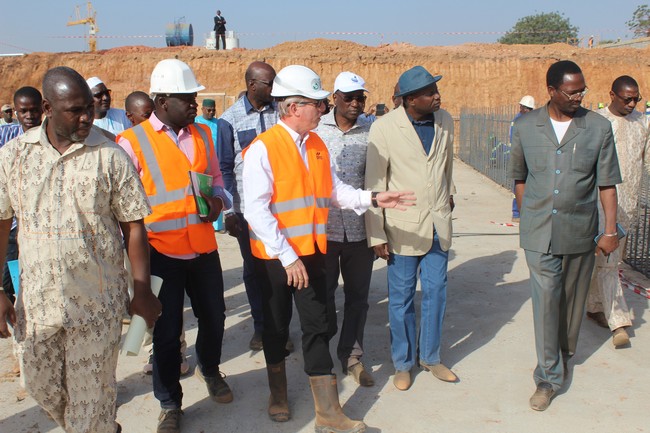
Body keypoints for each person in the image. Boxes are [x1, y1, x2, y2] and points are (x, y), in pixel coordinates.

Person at [242, 64, 413, 431]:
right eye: (316, 104)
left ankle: (328, 414)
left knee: (320, 325)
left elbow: (334, 192)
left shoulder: (317, 145)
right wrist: (287, 257)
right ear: (292, 108)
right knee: (275, 326)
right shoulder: (263, 149)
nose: (322, 110)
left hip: (313, 252)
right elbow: (254, 209)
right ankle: (279, 393)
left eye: (321, 103)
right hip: (275, 257)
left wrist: (374, 198)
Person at [0, 66, 161, 433]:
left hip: (96, 305)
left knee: (90, 406)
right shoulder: (14, 157)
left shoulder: (110, 155)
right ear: (47, 107)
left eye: (89, 106)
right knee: (42, 387)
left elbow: (133, 225)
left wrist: (141, 290)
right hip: (37, 306)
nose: (87, 116)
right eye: (75, 109)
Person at [118, 59, 233, 433]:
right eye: (188, 98)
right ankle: (169, 403)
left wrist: (219, 201)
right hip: (159, 255)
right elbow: (121, 208)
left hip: (202, 249)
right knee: (165, 335)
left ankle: (211, 369)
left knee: (215, 317)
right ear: (164, 101)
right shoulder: (131, 142)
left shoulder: (201, 134)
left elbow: (215, 179)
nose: (195, 104)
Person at [509, 60, 621, 411]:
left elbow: (607, 185)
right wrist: (529, 217)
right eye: (572, 91)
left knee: (571, 307)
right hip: (539, 234)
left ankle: (563, 354)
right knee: (546, 302)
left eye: (582, 91)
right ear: (552, 91)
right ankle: (548, 377)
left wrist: (609, 231)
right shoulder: (526, 127)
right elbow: (520, 179)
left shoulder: (598, 128)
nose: (579, 97)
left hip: (579, 231)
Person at [365, 66, 457, 392]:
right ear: (409, 99)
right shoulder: (384, 128)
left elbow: (446, 167)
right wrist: (376, 234)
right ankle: (403, 363)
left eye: (436, 90)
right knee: (401, 299)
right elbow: (374, 183)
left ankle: (431, 357)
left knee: (436, 293)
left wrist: (449, 199)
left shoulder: (444, 120)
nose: (437, 96)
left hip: (437, 226)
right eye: (430, 92)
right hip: (402, 229)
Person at [217, 61, 284, 351]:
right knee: (255, 269)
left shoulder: (280, 113)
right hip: (247, 211)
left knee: (281, 266)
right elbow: (225, 168)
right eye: (270, 83)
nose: (274, 88)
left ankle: (280, 327)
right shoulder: (228, 120)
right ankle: (261, 326)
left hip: (280, 205)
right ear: (252, 85)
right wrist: (230, 211)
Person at [314, 71, 375, 387]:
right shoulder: (316, 131)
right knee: (322, 297)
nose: (356, 103)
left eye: (360, 98)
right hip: (323, 231)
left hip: (359, 232)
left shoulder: (371, 132)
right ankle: (321, 359)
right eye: (349, 97)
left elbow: (378, 181)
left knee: (358, 298)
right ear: (334, 97)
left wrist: (379, 233)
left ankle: (352, 357)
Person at [586, 75, 649, 347]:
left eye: (637, 98)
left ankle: (593, 305)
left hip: (629, 205)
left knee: (607, 260)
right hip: (600, 204)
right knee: (610, 262)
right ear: (611, 95)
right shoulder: (595, 122)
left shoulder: (643, 124)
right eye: (627, 99)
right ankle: (619, 321)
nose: (632, 103)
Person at [0, 86, 43, 303]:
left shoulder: (52, 140)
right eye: (23, 111)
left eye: (34, 110)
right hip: (13, 225)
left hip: (40, 228)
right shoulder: (7, 139)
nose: (29, 116)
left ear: (43, 109)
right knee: (10, 276)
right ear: (15, 111)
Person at [510, 95, 535, 222]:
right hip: (520, 155)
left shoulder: (531, 119)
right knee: (519, 185)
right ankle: (517, 213)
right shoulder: (519, 121)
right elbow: (514, 140)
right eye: (527, 109)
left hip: (530, 155)